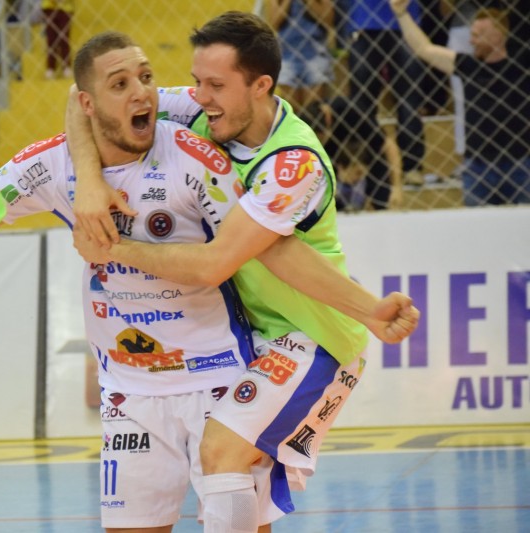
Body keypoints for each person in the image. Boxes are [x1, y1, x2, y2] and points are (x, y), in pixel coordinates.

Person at [0, 30, 418, 533]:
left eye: (151, 79)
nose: (174, 94)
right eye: (129, 83)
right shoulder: (189, 112)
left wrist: (369, 309)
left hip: (259, 352)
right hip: (133, 388)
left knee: (226, 459)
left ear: (260, 87)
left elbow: (238, 258)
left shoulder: (240, 158)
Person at [68, 11, 418, 532]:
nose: (197, 96)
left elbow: (215, 264)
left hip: (313, 338)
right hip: (256, 338)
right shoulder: (211, 113)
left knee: (223, 452)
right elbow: (82, 103)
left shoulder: (290, 165)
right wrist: (91, 182)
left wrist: (110, 247)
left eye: (214, 85)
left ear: (261, 86)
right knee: (234, 478)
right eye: (195, 82)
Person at [390, 0, 529, 205]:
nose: (471, 41)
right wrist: (401, 14)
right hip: (478, 165)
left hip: (520, 164)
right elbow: (424, 49)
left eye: (477, 36)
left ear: (497, 36)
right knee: (476, 232)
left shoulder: (521, 67)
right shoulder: (468, 65)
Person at [344, 0, 427, 187]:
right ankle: (365, 163)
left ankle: (411, 166)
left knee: (409, 100)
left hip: (405, 21)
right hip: (364, 24)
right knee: (361, 104)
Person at [300, 95, 403, 210]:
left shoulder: (352, 111)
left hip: (368, 157)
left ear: (328, 123)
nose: (320, 141)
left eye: (322, 138)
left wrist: (397, 187)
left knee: (381, 199)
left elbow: (388, 145)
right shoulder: (307, 118)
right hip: (335, 162)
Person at [264, 0, 334, 114]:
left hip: (315, 54)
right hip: (287, 55)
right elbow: (274, 22)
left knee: (315, 114)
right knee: (289, 114)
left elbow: (329, 19)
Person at [41, 0, 74, 79]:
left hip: (66, 8)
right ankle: (51, 68)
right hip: (49, 7)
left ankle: (66, 66)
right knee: (51, 39)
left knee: (64, 39)